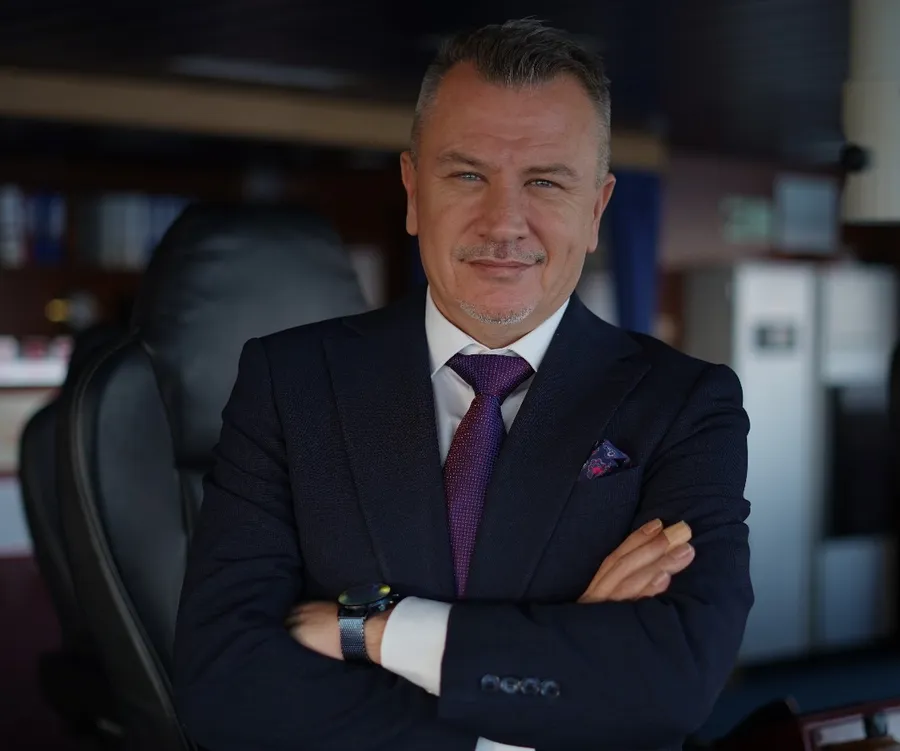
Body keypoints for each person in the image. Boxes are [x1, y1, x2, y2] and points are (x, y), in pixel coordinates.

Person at [173, 18, 753, 751]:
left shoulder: (686, 405)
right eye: (468, 175)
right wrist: (538, 700)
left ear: (596, 209)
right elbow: (224, 685)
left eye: (545, 181)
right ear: (414, 192)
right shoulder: (290, 383)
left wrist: (378, 632)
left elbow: (674, 681)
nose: (504, 222)